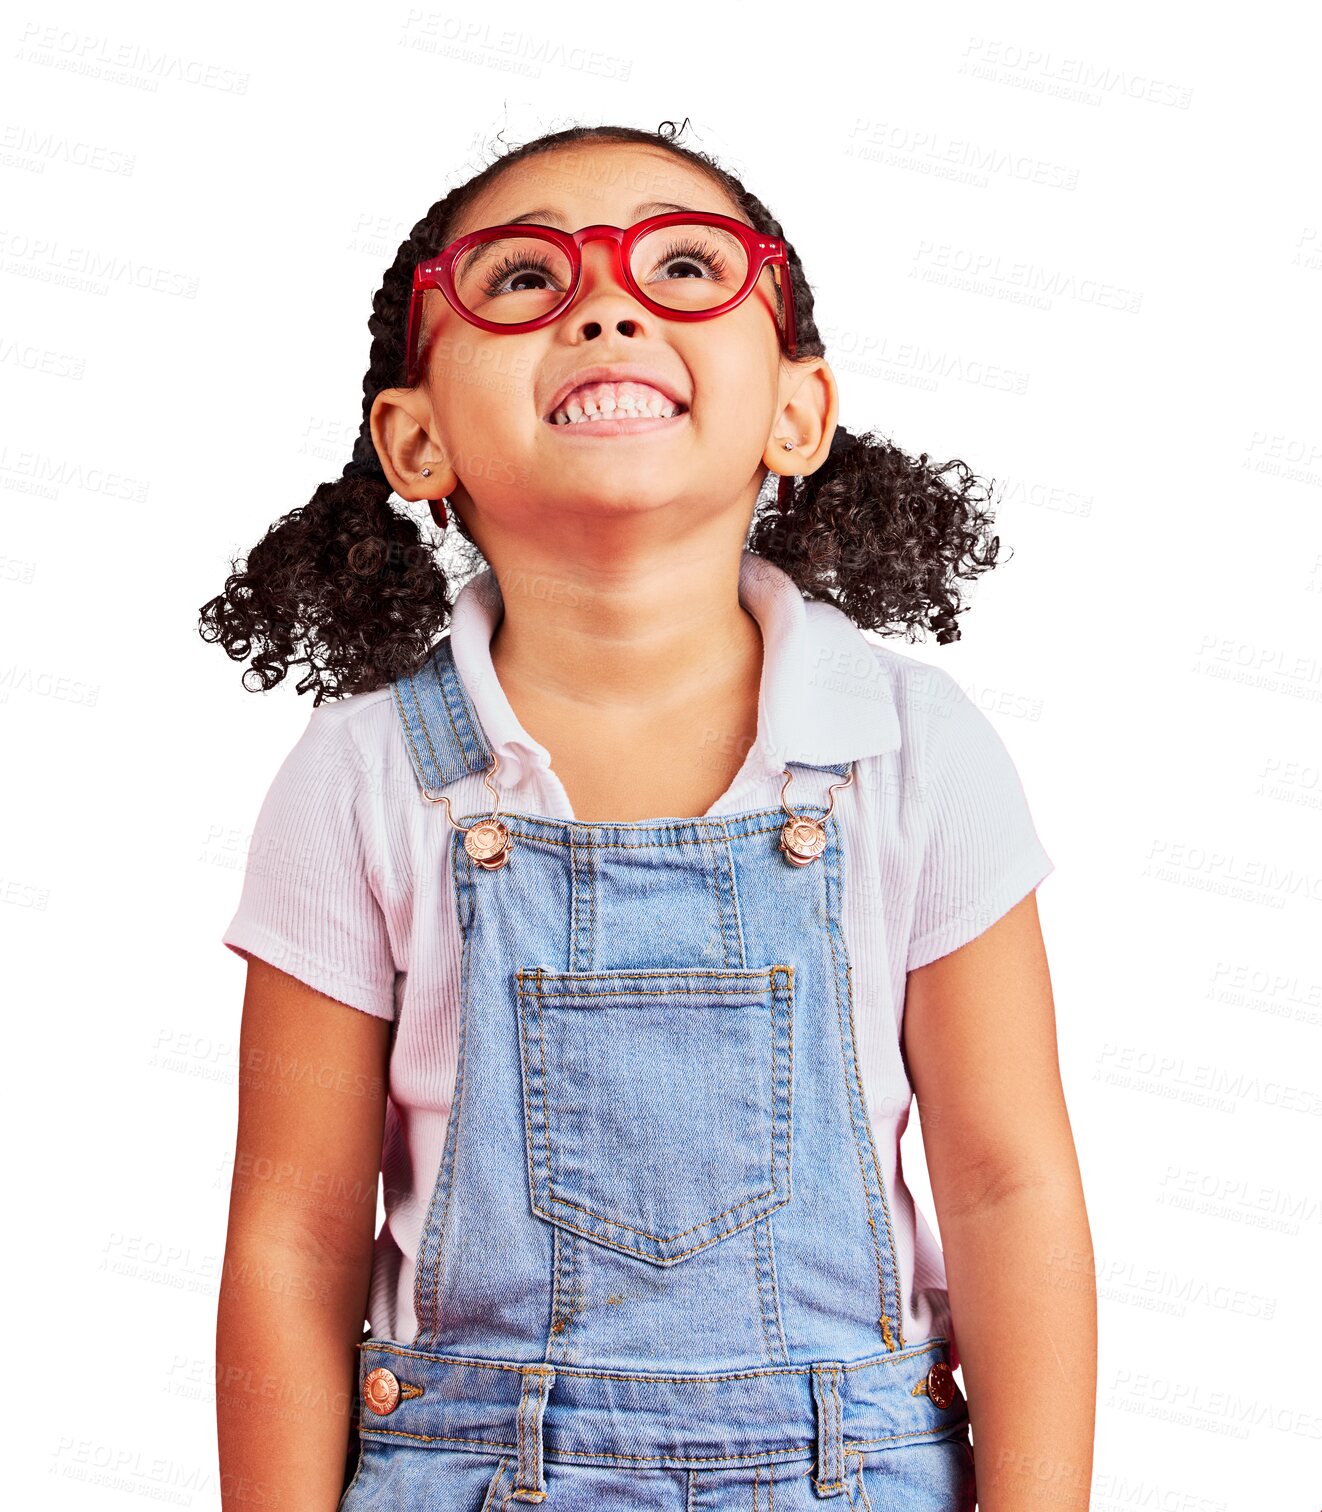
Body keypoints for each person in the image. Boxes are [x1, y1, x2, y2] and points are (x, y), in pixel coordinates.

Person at [203, 120, 1095, 1512]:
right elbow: (291, 1235)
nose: (607, 305)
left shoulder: (910, 751)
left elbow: (1007, 1189)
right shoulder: (369, 771)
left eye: (684, 266)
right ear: (415, 435)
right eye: (519, 282)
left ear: (797, 412)